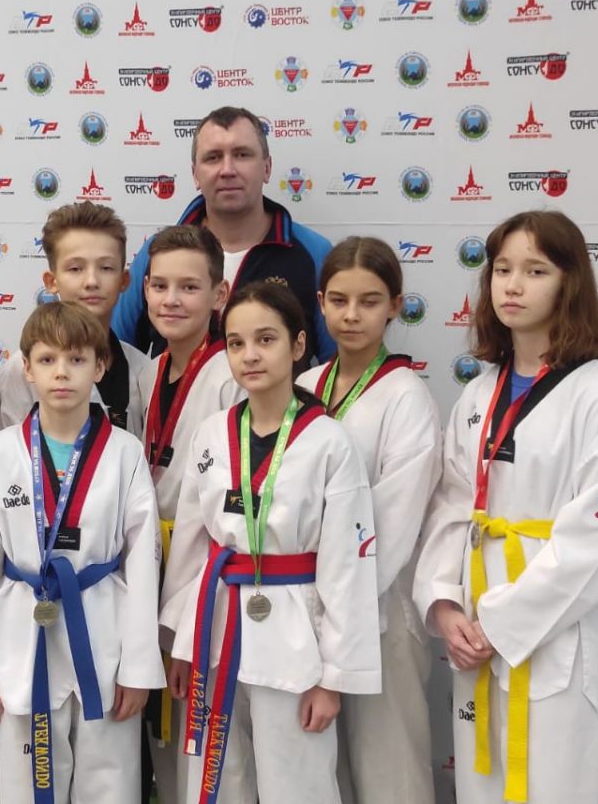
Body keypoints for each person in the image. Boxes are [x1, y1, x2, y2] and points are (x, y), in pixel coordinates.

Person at [413, 210, 598, 804]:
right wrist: (444, 603)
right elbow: (451, 505)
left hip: (548, 631)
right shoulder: (478, 393)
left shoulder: (597, 392)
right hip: (473, 620)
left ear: (569, 283)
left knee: (553, 783)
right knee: (481, 783)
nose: (513, 285)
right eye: (503, 269)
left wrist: (503, 623)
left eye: (535, 271)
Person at [162, 281, 381, 804]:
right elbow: (191, 542)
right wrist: (182, 643)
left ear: (298, 344)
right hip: (216, 620)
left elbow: (347, 567)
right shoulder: (212, 433)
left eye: (266, 339)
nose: (250, 355)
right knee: (218, 774)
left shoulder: (329, 441)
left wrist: (334, 678)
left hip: (295, 628)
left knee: (297, 782)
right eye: (236, 343)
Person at [0, 302, 165, 803]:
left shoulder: (125, 452)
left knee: (110, 787)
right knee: (26, 785)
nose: (61, 372)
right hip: (22, 638)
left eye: (76, 359)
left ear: (100, 367)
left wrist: (138, 667)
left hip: (104, 636)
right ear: (26, 368)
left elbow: (142, 564)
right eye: (47, 360)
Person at [297, 237, 440, 804]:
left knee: (390, 769)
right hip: (307, 607)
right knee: (318, 771)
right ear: (320, 303)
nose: (351, 315)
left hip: (379, 610)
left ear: (395, 306)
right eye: (338, 300)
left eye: (369, 301)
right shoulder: (304, 386)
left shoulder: (407, 397)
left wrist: (338, 606)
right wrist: (310, 604)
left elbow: (394, 523)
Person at [133, 224, 243, 803]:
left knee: (207, 741)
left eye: (189, 287)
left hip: (205, 574)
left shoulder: (231, 375)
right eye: (160, 286)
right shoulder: (150, 372)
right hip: (153, 561)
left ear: (220, 295)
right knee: (165, 738)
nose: (171, 300)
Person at [112, 105, 334, 365]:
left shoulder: (314, 253)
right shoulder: (157, 254)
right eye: (213, 157)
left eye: (242, 155)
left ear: (267, 167)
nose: (227, 170)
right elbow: (115, 356)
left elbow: (340, 368)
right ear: (195, 174)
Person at [0, 202, 150, 434]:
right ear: (51, 281)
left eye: (106, 268)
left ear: (124, 280)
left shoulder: (143, 369)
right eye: (76, 269)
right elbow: (11, 450)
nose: (91, 281)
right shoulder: (23, 369)